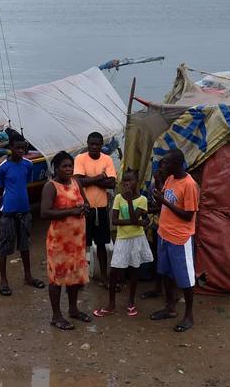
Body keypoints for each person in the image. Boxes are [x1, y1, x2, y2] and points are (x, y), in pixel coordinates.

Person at [39, 151, 91, 330]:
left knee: (75, 276)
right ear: (56, 168)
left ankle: (73, 309)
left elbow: (85, 203)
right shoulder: (51, 187)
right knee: (57, 278)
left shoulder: (76, 183)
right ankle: (56, 316)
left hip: (77, 240)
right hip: (59, 242)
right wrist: (71, 212)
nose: (68, 169)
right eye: (65, 166)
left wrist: (85, 207)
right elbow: (44, 212)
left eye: (70, 166)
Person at [151, 149, 199, 332]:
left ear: (176, 165)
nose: (163, 166)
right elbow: (163, 199)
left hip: (180, 238)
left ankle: (188, 315)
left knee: (185, 279)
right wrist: (158, 185)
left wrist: (164, 202)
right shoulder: (170, 179)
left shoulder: (189, 185)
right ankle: (170, 307)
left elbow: (188, 215)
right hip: (164, 234)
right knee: (165, 272)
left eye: (167, 163)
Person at [94, 168, 152, 318]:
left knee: (134, 271)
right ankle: (111, 304)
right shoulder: (119, 198)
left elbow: (132, 219)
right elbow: (114, 221)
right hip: (122, 239)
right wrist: (139, 222)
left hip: (137, 239)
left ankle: (131, 302)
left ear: (136, 182)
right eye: (125, 181)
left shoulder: (142, 200)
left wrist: (131, 205)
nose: (127, 184)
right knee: (114, 271)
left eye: (130, 180)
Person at [0, 137, 45, 296]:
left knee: (25, 245)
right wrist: (2, 200)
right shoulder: (3, 167)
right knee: (4, 246)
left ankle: (28, 276)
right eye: (18, 148)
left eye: (23, 148)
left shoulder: (28, 165)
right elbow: (0, 189)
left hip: (24, 210)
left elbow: (25, 183)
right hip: (8, 211)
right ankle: (3, 280)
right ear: (11, 148)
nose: (21, 151)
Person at [72, 131, 117, 285]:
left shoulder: (107, 159)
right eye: (92, 144)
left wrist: (88, 180)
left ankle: (103, 276)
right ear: (88, 143)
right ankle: (79, 276)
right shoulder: (80, 158)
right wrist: (99, 177)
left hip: (101, 209)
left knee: (102, 243)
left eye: (97, 144)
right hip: (84, 208)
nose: (94, 147)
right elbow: (78, 182)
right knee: (82, 243)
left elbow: (112, 184)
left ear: (101, 145)